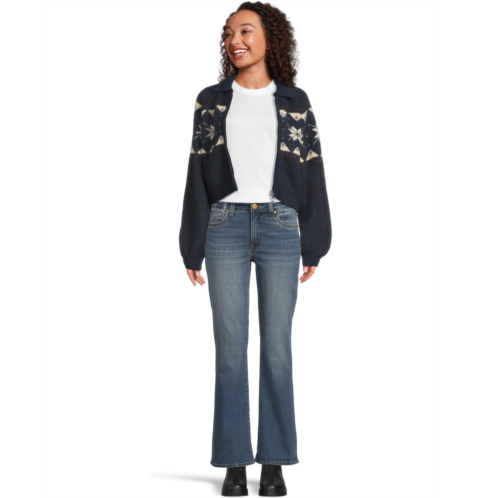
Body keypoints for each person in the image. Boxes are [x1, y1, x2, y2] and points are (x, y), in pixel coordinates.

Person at [179, 2, 332, 495]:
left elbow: (311, 169)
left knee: (277, 350)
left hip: (280, 225)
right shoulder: (210, 100)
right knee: (229, 351)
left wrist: (314, 241)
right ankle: (232, 462)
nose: (235, 40)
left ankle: (274, 462)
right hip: (223, 225)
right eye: (228, 33)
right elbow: (196, 172)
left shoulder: (294, 101)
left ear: (271, 38)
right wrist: (191, 245)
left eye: (245, 30)